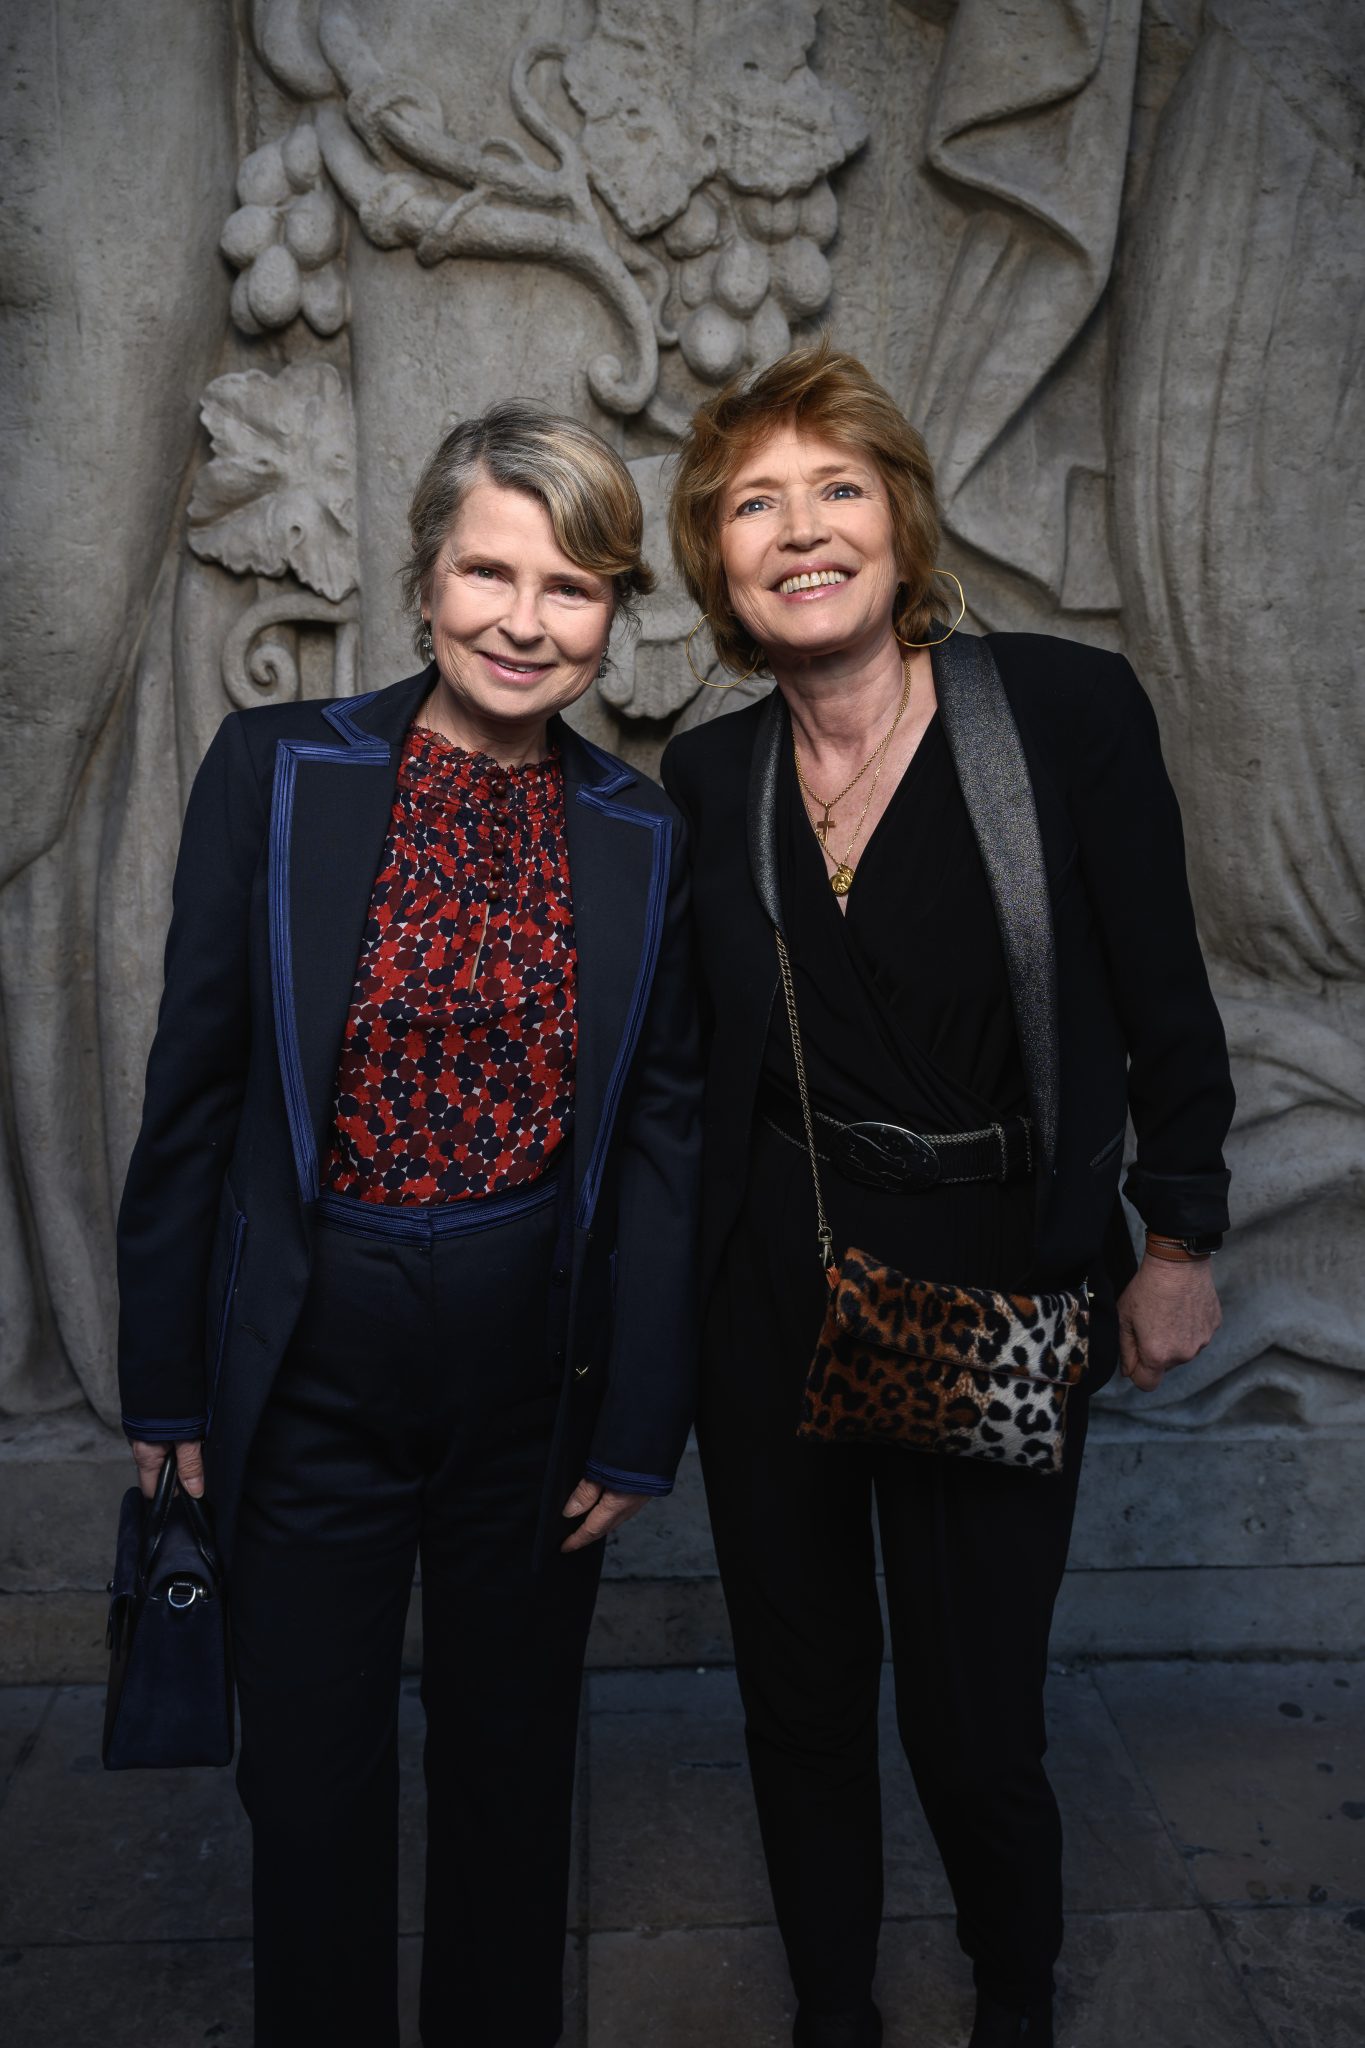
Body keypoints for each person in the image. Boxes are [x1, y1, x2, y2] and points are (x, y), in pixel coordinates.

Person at [660, 343, 1233, 2048]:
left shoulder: (1057, 713)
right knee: (802, 1694)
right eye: (755, 505)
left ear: (901, 522)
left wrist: (1177, 1236)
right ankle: (830, 2004)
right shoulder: (709, 782)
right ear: (718, 565)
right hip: (777, 1284)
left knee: (972, 1720)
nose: (801, 530)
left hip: (998, 1278)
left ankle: (1012, 1995)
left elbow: (1164, 997)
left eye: (835, 488)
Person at [116, 402, 701, 2047]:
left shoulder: (645, 837)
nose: (525, 620)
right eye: (489, 572)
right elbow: (193, 1099)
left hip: (533, 1387)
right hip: (309, 1376)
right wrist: (166, 1405)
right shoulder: (280, 772)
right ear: (424, 581)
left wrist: (641, 1421)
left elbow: (661, 1144)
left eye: (572, 587)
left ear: (612, 613)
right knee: (307, 1796)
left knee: (512, 1787)